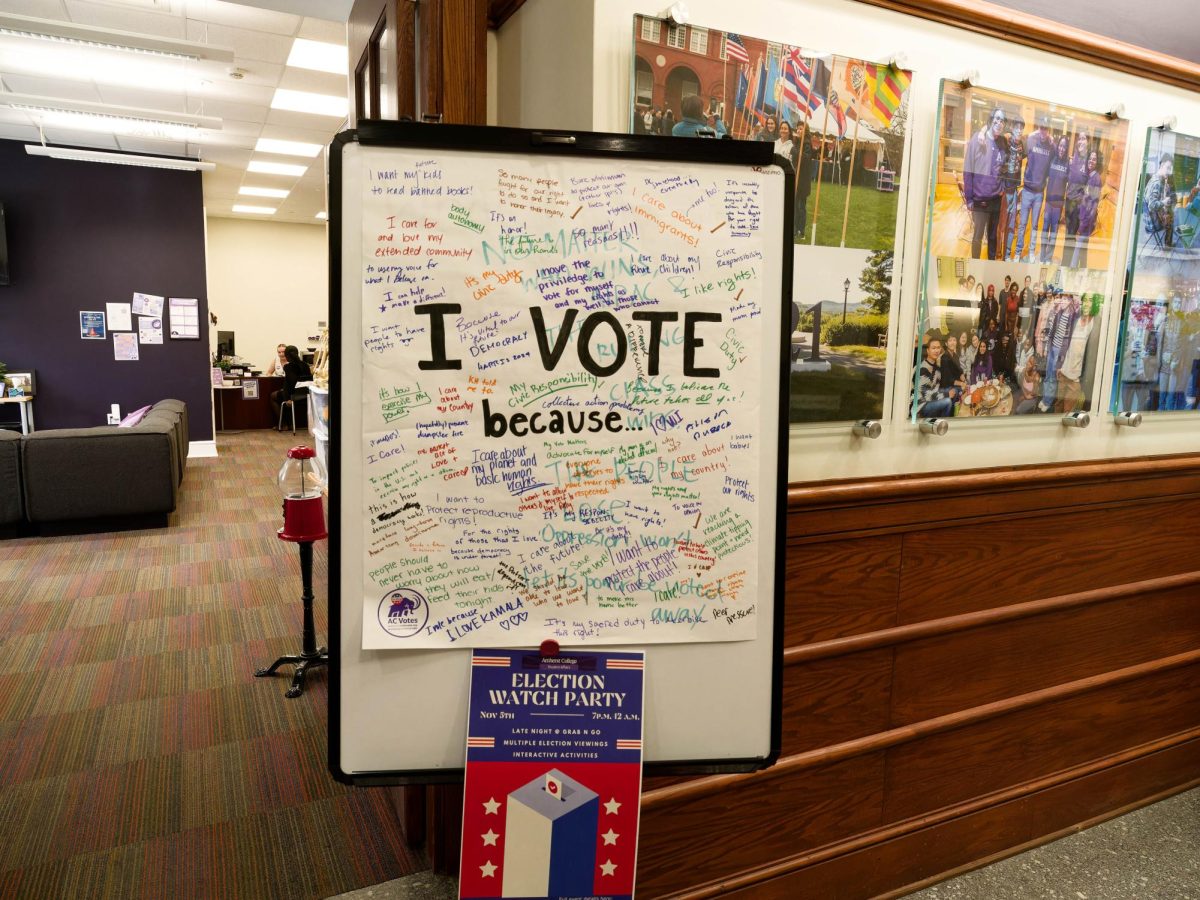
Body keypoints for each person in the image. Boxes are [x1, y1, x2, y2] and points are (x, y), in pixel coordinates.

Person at [963, 108, 1007, 259]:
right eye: (997, 118)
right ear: (991, 119)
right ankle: (974, 265)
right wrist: (969, 198)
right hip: (980, 200)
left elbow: (1006, 167)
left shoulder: (1003, 142)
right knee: (977, 237)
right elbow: (968, 171)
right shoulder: (977, 139)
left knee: (993, 238)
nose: (999, 122)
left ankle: (991, 265)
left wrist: (1002, 188)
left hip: (996, 199)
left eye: (1002, 120)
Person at [1015, 114, 1053, 261]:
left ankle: (1031, 251)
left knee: (1035, 225)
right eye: (1042, 128)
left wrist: (1053, 140)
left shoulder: (1051, 145)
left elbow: (1058, 152)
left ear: (1048, 130)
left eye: (1046, 129)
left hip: (1039, 193)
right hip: (1027, 190)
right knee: (1023, 224)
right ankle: (1018, 251)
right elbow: (1015, 139)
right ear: (1038, 128)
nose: (1043, 131)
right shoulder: (1030, 139)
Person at [1069, 150, 1103, 269]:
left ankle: (1071, 272)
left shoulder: (1096, 179)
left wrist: (1083, 224)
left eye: (1094, 159)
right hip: (1082, 218)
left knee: (1078, 249)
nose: (1091, 161)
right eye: (1090, 158)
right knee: (1083, 252)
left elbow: (1093, 206)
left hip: (1086, 222)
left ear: (1097, 162)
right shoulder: (1089, 176)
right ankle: (1082, 271)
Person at [999, 114, 1026, 259]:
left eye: (1021, 127)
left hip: (1014, 190)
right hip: (1003, 189)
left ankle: (1007, 254)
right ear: (1012, 128)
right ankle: (999, 253)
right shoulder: (1005, 140)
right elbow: (991, 132)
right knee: (1001, 226)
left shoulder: (1023, 145)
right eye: (1017, 126)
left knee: (1011, 226)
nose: (1019, 130)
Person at [1040, 136, 1070, 263]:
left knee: (1053, 233)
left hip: (1058, 206)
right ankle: (1042, 257)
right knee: (1045, 229)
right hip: (1048, 203)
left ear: (1067, 148)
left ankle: (1048, 257)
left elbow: (1069, 184)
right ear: (1058, 146)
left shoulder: (1068, 163)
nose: (1062, 149)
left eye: (1064, 146)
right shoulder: (1052, 159)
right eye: (1060, 146)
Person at [916, 331, 959, 417]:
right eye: (933, 348)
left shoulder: (937, 368)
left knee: (955, 391)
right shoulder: (923, 368)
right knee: (947, 401)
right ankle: (940, 422)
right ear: (928, 351)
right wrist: (946, 394)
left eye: (938, 348)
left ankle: (943, 417)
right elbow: (926, 395)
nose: (936, 350)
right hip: (922, 404)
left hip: (932, 398)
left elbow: (937, 388)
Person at [1063, 134, 1091, 265]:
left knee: (1072, 235)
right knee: (1068, 234)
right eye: (1079, 139)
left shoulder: (1088, 161)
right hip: (1068, 200)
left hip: (1078, 204)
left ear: (1088, 142)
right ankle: (1066, 262)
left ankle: (1068, 264)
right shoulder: (1073, 158)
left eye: (1083, 139)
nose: (1080, 141)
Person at [270, 345, 312, 428]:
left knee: (273, 396)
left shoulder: (288, 367)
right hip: (306, 395)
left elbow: (289, 384)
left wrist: (287, 399)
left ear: (287, 356)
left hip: (294, 396)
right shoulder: (306, 365)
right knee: (282, 394)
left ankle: (283, 424)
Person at [1143, 153, 1176, 249]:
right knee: (1171, 219)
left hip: (1148, 220)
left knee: (1168, 213)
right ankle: (1167, 246)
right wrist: (1164, 202)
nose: (1169, 172)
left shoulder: (1154, 178)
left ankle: (1167, 244)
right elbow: (1152, 205)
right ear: (1161, 165)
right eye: (1168, 168)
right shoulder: (1157, 183)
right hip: (1152, 223)